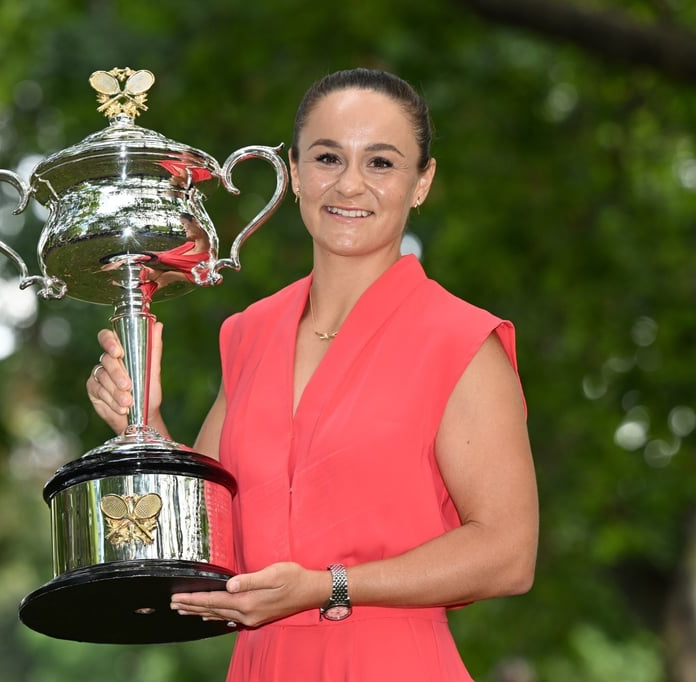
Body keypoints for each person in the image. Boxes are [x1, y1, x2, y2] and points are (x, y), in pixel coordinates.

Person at [86, 67, 539, 681]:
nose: (349, 184)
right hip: (263, 665)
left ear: (422, 181)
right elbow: (207, 540)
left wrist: (329, 587)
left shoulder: (460, 339)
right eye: (328, 157)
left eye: (381, 162)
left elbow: (508, 553)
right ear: (295, 172)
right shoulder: (249, 332)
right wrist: (143, 420)